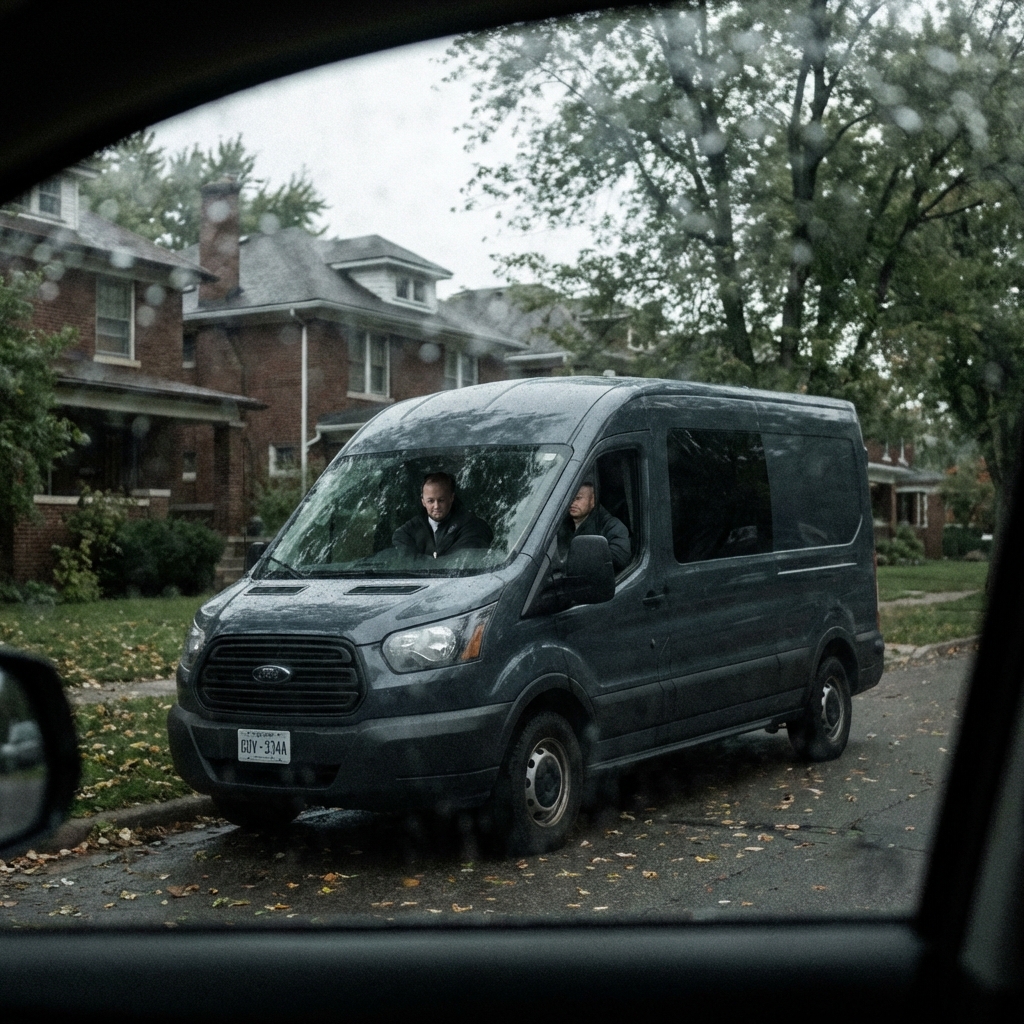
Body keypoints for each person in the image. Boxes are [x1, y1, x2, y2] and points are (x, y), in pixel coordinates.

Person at [392, 472, 493, 560]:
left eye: (441, 500)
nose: (436, 506)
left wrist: (421, 560)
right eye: (430, 501)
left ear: (451, 498)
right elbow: (404, 556)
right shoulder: (409, 530)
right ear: (423, 502)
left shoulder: (471, 526)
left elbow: (460, 562)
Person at [558, 481, 631, 572]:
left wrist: (585, 556)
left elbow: (619, 558)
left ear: (592, 500)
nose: (572, 502)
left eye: (578, 498)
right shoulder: (560, 524)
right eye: (570, 498)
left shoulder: (611, 526)